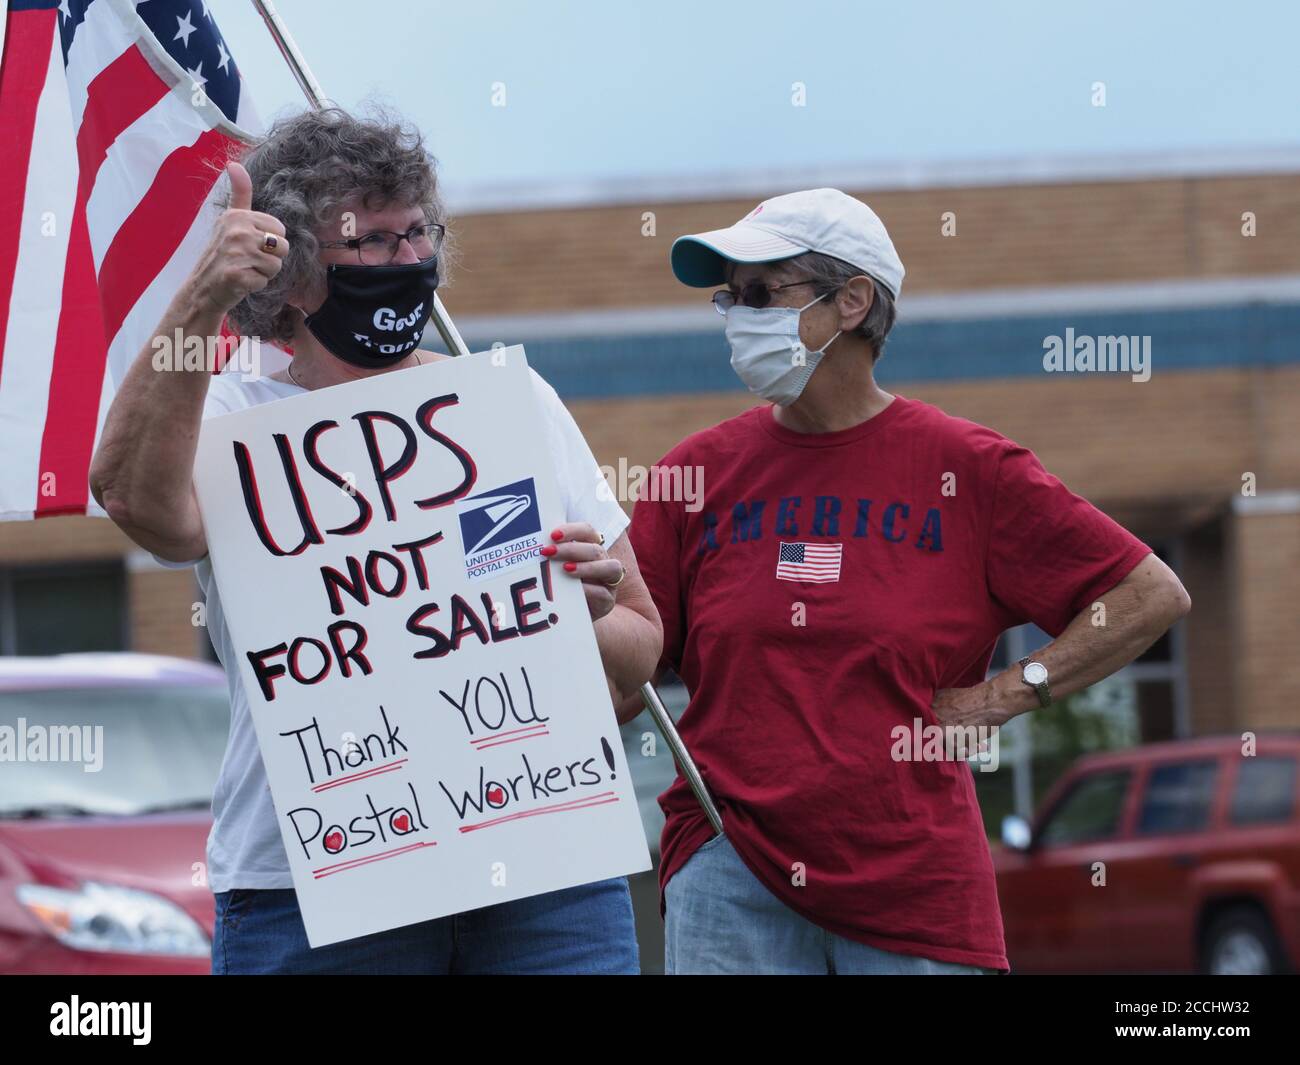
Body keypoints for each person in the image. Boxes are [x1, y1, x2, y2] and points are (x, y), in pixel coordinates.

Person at [89, 107, 662, 975]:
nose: (408, 260)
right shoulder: (235, 418)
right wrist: (201, 295)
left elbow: (637, 661)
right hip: (315, 889)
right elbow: (137, 502)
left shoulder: (508, 406)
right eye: (373, 240)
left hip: (544, 875)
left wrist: (578, 616)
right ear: (297, 267)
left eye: (417, 234)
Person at [625, 187, 1191, 975]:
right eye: (730, 297)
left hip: (914, 888)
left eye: (762, 292)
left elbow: (1149, 593)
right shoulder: (693, 475)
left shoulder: (970, 469)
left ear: (852, 301)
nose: (738, 316)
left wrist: (1005, 693)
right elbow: (626, 662)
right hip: (731, 867)